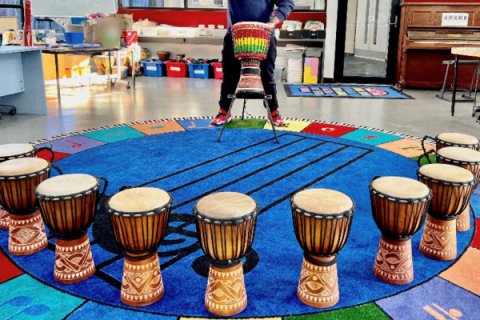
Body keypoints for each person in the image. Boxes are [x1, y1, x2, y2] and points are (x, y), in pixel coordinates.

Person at [211, 0, 295, 127]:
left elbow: (287, 2)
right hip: (235, 35)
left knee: (267, 76)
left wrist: (274, 22)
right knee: (230, 75)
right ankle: (224, 111)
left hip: (264, 35)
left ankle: (273, 112)